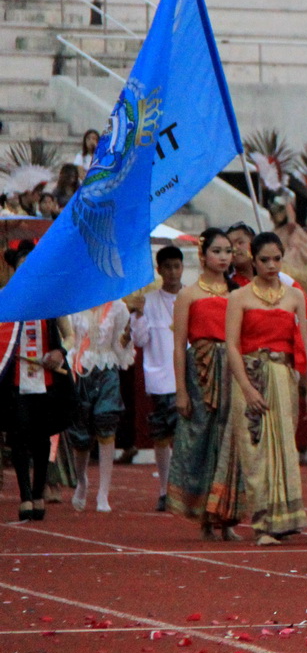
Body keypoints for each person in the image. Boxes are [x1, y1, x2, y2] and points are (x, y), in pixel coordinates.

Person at [224, 231, 307, 544]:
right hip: (251, 375)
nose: (271, 265)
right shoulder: (238, 297)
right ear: (253, 258)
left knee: (285, 447)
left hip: (284, 378)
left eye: (277, 259)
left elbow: (303, 344)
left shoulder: (295, 296)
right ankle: (263, 523)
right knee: (255, 449)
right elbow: (232, 347)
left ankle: (284, 519)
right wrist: (247, 388)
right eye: (264, 260)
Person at [168, 228, 242, 538]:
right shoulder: (188, 294)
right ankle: (203, 516)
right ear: (203, 254)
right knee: (201, 441)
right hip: (200, 373)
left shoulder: (238, 293)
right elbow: (178, 345)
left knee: (231, 442)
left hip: (234, 373)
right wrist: (181, 392)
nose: (224, 257)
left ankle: (226, 517)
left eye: (228, 251)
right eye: (217, 251)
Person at [0, 243, 70, 522]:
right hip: (15, 380)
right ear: (13, 267)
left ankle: (39, 491)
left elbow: (70, 336)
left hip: (47, 379)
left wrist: (60, 353)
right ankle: (25, 496)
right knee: (19, 437)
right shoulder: (4, 298)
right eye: (23, 263)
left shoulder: (51, 301)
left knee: (43, 438)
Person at [66, 296, 134, 512]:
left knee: (107, 421)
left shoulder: (117, 306)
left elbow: (119, 345)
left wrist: (126, 338)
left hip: (106, 369)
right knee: (81, 435)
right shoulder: (74, 304)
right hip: (81, 369)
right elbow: (68, 340)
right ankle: (82, 481)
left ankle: (103, 492)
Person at [130, 245, 186, 511]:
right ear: (159, 269)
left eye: (177, 266)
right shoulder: (149, 301)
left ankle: (186, 488)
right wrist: (138, 315)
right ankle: (165, 489)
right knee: (163, 436)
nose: (173, 272)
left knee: (187, 436)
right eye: (168, 267)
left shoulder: (192, 297)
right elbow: (141, 340)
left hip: (189, 377)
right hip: (161, 376)